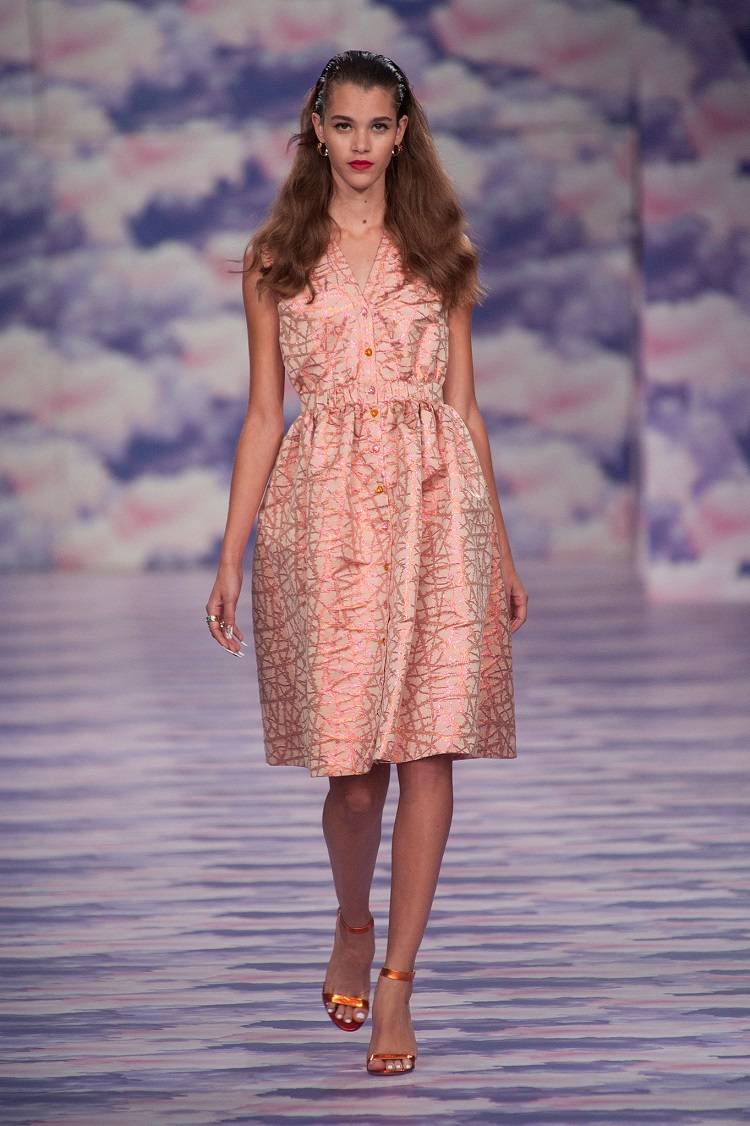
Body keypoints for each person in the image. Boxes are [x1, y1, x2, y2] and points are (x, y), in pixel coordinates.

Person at [205, 50, 528, 1076]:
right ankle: (353, 919)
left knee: (431, 750)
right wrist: (230, 556)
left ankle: (397, 984)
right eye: (341, 124)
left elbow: (464, 405)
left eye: (377, 125)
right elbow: (265, 412)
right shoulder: (275, 257)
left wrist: (499, 548)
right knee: (353, 778)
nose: (358, 144)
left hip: (437, 509)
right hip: (325, 516)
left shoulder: (440, 248)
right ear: (315, 127)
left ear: (402, 132)